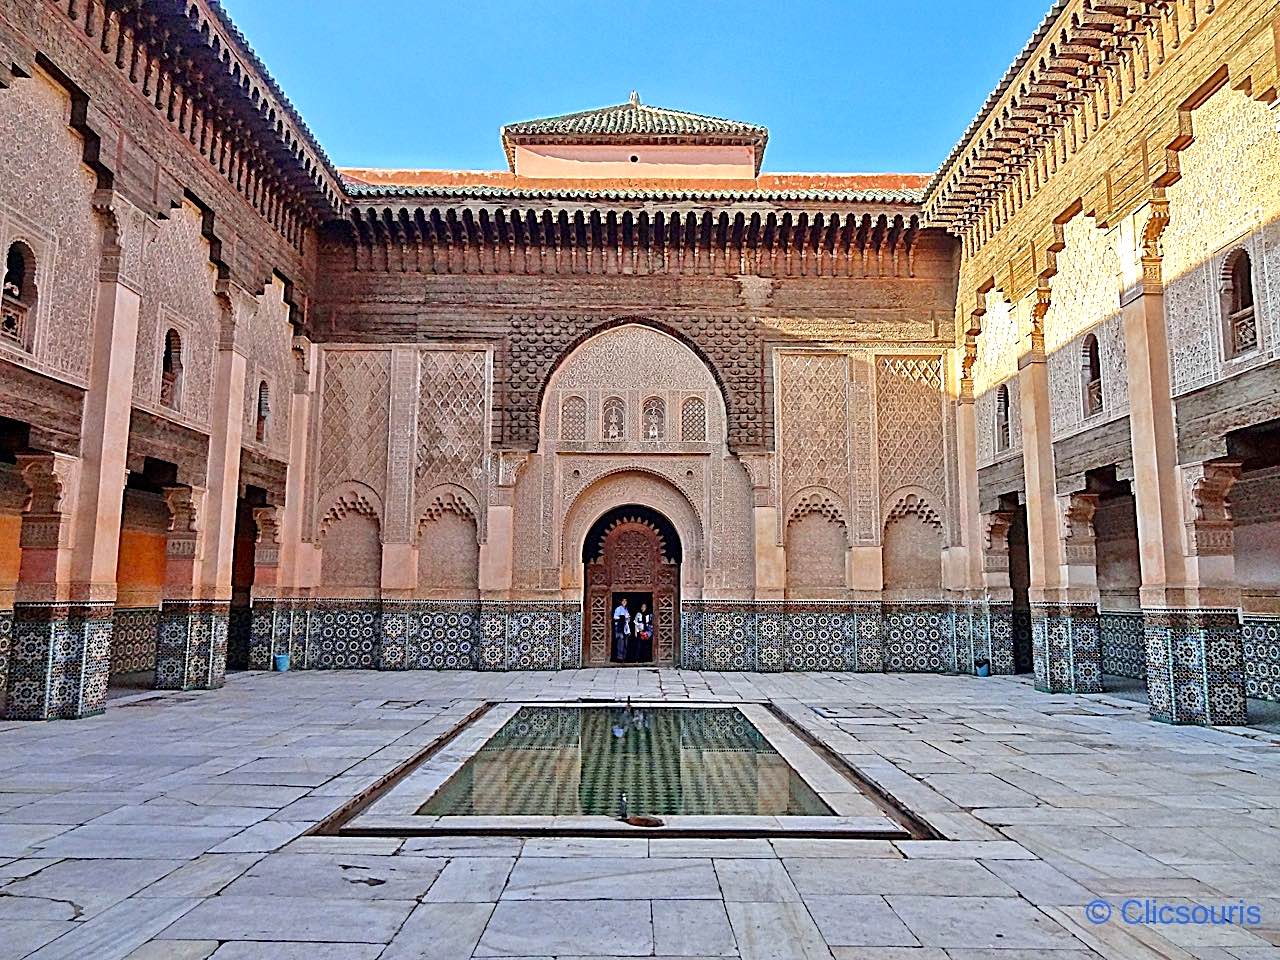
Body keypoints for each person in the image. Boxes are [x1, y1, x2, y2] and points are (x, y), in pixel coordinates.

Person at [611, 597, 630, 662]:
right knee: (620, 642)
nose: (624, 602)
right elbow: (615, 617)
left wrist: (627, 619)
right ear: (621, 602)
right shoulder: (618, 609)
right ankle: (619, 658)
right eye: (623, 601)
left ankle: (624, 657)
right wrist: (623, 618)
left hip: (625, 627)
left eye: (626, 601)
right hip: (619, 627)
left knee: (625, 643)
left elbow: (627, 619)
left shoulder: (626, 609)